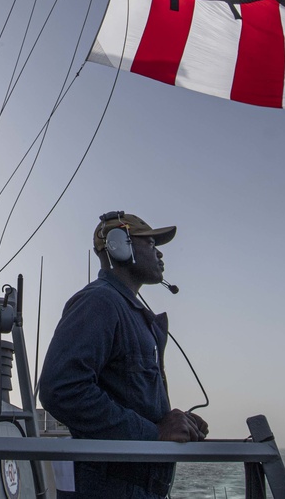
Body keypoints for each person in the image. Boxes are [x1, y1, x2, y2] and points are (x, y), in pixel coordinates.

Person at [39, 211, 208, 498]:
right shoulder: (100, 302)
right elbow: (62, 389)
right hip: (111, 487)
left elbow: (129, 396)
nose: (160, 255)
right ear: (119, 245)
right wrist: (153, 434)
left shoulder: (127, 312)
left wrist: (174, 422)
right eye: (152, 244)